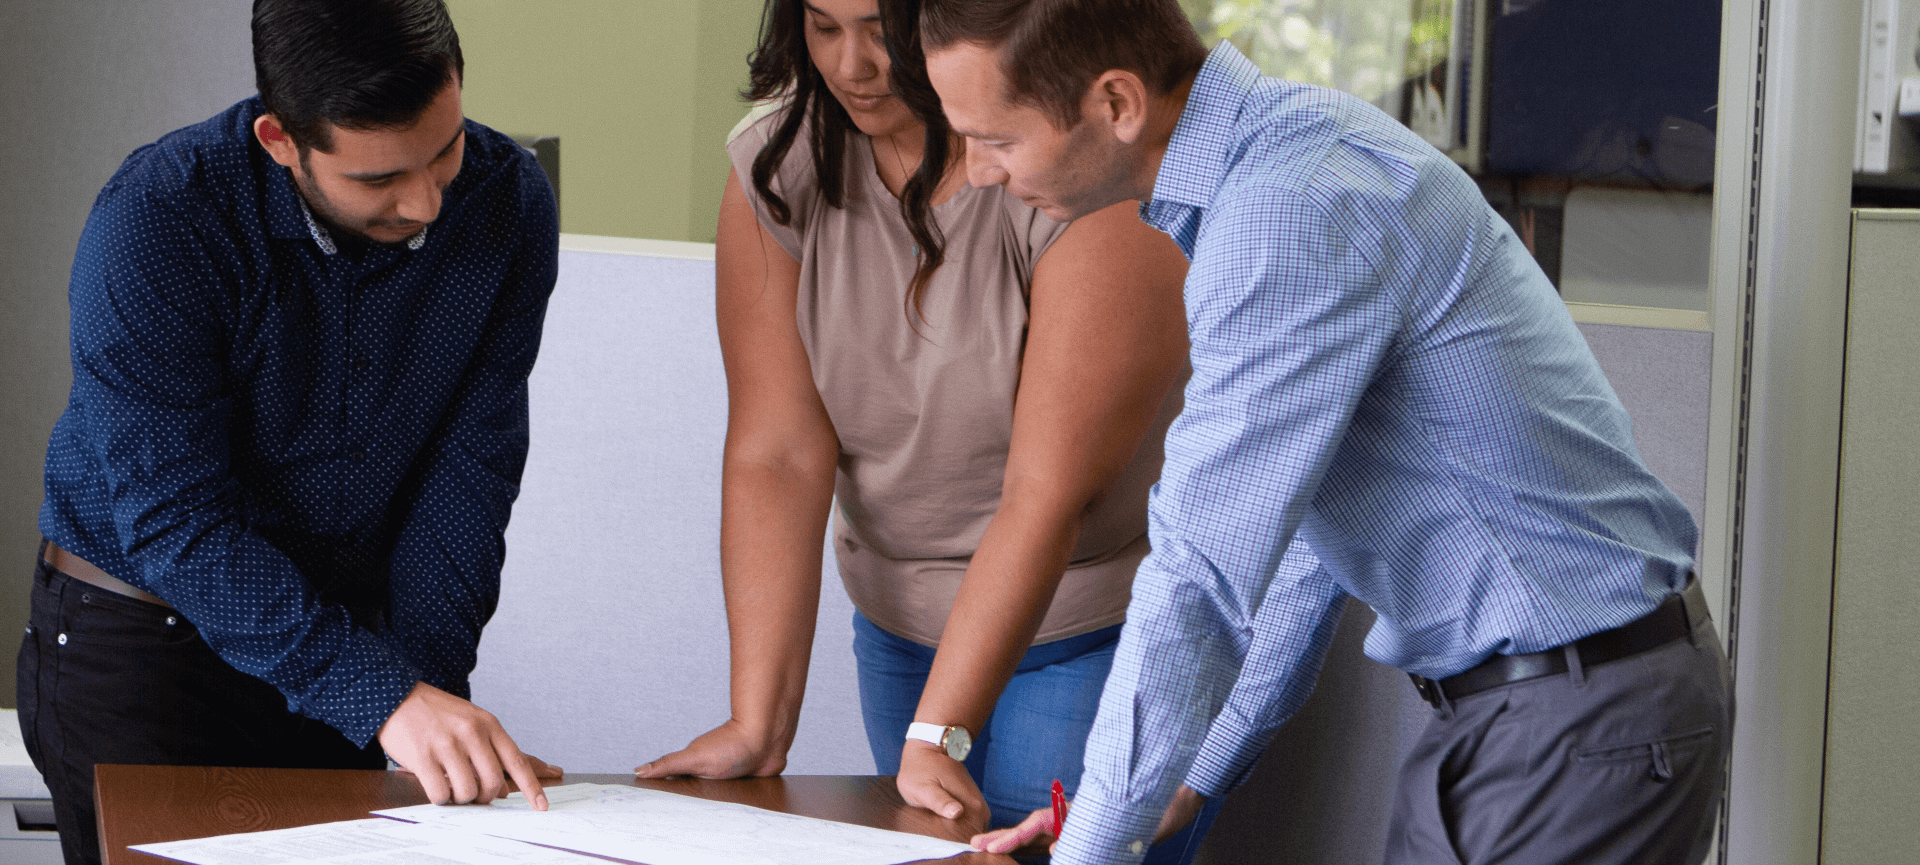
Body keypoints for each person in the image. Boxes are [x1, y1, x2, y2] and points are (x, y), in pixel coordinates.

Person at [920, 1, 1732, 864]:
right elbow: (1305, 545)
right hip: (1525, 711)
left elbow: (1199, 572)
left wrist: (1094, 846)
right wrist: (1183, 779)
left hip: (1572, 714)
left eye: (996, 140)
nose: (976, 173)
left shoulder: (1285, 208)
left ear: (1116, 103)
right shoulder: (1281, 163)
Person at [634, 0, 1221, 860]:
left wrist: (938, 732)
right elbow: (779, 453)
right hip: (900, 631)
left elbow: (1048, 489)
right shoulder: (776, 163)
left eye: (879, 26)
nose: (851, 65)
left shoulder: (1078, 160)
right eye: (823, 26)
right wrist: (758, 720)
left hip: (1086, 630)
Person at [17, 2, 563, 862]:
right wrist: (385, 696)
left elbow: (469, 472)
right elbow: (174, 518)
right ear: (281, 140)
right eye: (378, 180)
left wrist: (425, 698)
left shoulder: (506, 202)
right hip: (144, 646)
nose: (426, 201)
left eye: (444, 150)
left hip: (350, 637)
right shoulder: (161, 219)